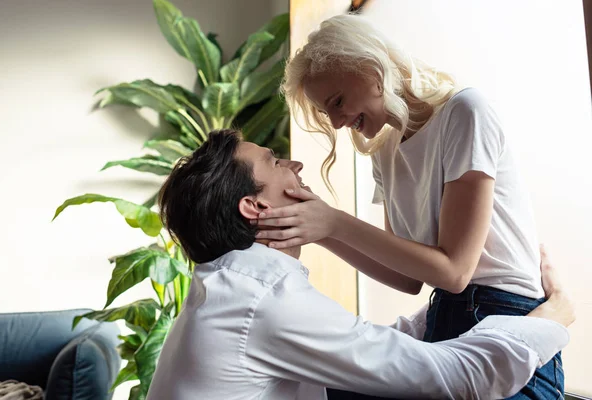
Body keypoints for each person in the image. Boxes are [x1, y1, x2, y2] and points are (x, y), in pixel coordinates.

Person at [256, 14, 566, 399]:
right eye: (325, 112)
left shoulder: (466, 112)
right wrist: (318, 230)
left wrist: (333, 224)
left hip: (510, 320)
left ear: (372, 70)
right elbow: (406, 277)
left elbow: (454, 271)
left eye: (337, 102)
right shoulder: (384, 150)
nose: (336, 123)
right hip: (446, 319)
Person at [146, 129, 573, 400]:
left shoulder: (230, 287)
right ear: (255, 207)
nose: (295, 165)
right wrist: (552, 318)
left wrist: (441, 306)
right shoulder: (264, 300)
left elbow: (362, 345)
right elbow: (453, 379)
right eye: (276, 161)